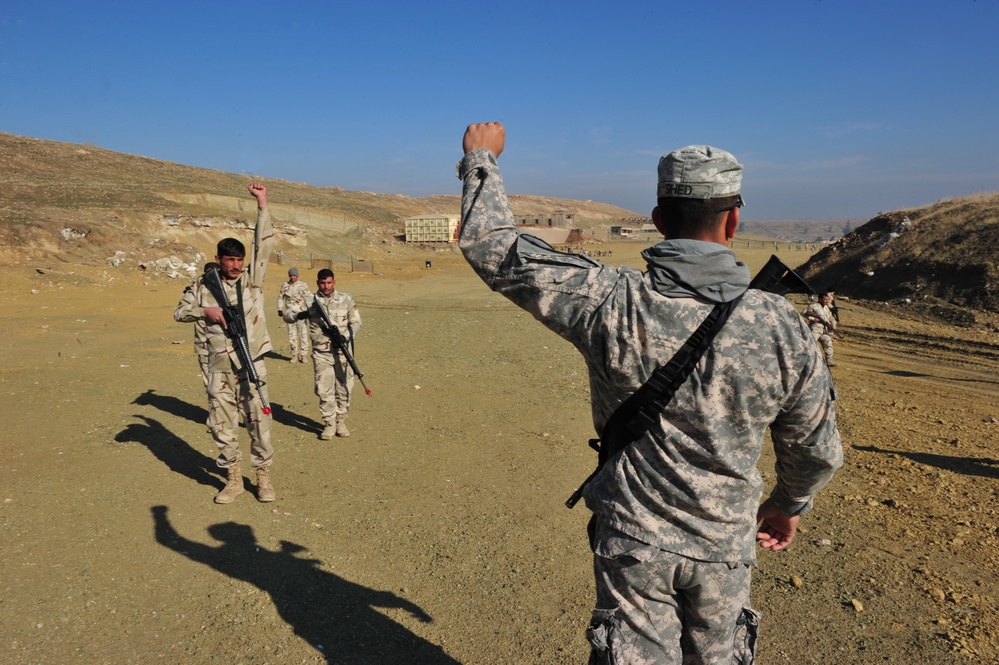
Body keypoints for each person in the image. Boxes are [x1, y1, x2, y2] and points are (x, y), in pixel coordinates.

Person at [456, 122, 842, 664]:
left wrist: (481, 159)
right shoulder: (781, 325)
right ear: (734, 218)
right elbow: (815, 447)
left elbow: (496, 249)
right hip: (725, 546)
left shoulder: (608, 299)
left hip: (634, 540)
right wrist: (788, 504)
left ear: (660, 221)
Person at [174, 183, 276, 504]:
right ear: (217, 259)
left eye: (239, 260)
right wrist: (207, 310)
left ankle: (263, 478)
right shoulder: (202, 287)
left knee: (258, 420)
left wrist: (262, 205)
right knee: (221, 423)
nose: (235, 265)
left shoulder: (252, 281)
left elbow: (263, 246)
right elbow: (180, 312)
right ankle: (233, 479)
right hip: (218, 364)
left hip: (251, 362)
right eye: (229, 260)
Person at [284, 269, 361, 440]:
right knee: (325, 390)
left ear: (334, 282)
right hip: (321, 354)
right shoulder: (308, 300)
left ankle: (341, 421)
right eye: (322, 283)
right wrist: (304, 313)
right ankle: (329, 423)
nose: (326, 286)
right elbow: (288, 315)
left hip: (343, 353)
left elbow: (356, 322)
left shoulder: (346, 299)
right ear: (317, 283)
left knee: (344, 389)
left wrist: (346, 335)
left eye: (329, 283)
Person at [175, 261, 219, 389]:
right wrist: (203, 311)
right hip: (205, 346)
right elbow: (179, 313)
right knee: (211, 386)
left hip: (228, 347)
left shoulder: (230, 289)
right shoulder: (198, 289)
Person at [278, 267, 312, 363]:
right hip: (290, 314)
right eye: (291, 275)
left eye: (294, 275)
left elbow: (308, 297)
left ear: (297, 276)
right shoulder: (285, 286)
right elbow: (280, 297)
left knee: (303, 334)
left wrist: (309, 311)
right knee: (292, 335)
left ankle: (304, 355)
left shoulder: (303, 285)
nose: (292, 277)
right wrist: (280, 309)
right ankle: (294, 355)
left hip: (301, 313)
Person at [805, 293, 838, 367]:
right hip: (815, 329)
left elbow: (829, 317)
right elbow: (805, 313)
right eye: (825, 299)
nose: (827, 301)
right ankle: (805, 359)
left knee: (828, 342)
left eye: (828, 299)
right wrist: (813, 319)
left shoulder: (826, 308)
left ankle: (829, 360)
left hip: (824, 330)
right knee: (810, 344)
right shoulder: (813, 306)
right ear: (819, 299)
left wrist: (831, 325)